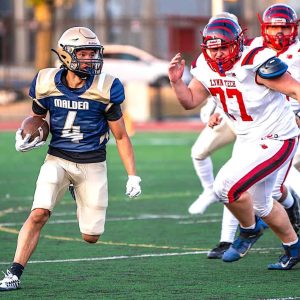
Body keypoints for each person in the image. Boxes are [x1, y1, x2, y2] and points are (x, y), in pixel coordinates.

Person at [0, 27, 142, 291]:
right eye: (83, 53)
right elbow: (38, 119)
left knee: (91, 236)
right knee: (39, 213)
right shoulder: (45, 82)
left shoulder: (106, 87)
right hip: (58, 159)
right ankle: (14, 273)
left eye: (93, 53)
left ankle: (78, 192)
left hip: (93, 163)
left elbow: (121, 136)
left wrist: (133, 175)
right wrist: (27, 136)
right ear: (65, 55)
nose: (89, 59)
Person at [168, 15, 300, 270]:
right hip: (248, 137)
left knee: (225, 186)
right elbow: (190, 101)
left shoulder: (254, 61)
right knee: (262, 203)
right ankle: (293, 248)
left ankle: (249, 230)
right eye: (213, 48)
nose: (217, 54)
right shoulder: (204, 66)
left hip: (277, 137)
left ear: (238, 43)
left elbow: (295, 89)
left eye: (223, 47)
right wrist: (176, 82)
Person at [206, 3, 300, 259]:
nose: (278, 33)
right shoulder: (251, 47)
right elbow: (227, 82)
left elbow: (294, 88)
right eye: (272, 26)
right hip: (249, 127)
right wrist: (218, 107)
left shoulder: (288, 52)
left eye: (284, 27)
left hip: (284, 124)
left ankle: (268, 225)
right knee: (247, 188)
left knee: (248, 186)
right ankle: (230, 238)